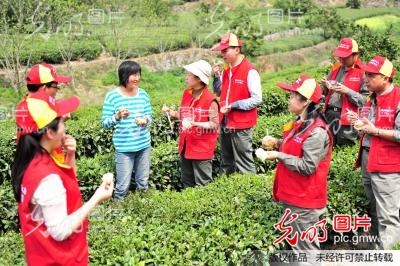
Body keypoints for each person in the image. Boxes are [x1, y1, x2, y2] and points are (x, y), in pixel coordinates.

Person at [12, 89, 113, 265]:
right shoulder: (46, 177)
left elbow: (65, 187)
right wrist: (96, 197)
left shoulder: (30, 162)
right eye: (61, 121)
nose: (65, 126)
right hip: (62, 258)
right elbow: (60, 231)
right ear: (50, 133)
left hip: (41, 255)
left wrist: (70, 155)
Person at [256, 75, 333, 255]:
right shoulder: (301, 122)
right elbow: (296, 148)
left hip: (304, 199)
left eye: (292, 95)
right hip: (294, 194)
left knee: (306, 251)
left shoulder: (317, 131)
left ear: (305, 101)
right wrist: (276, 143)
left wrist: (278, 155)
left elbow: (308, 166)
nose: (289, 99)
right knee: (300, 248)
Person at [347, 56, 400, 249]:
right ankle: (380, 248)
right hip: (368, 159)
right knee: (375, 209)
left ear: (385, 78)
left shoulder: (398, 98)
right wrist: (358, 119)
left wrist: (375, 130)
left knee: (388, 214)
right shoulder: (372, 99)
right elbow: (369, 125)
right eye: (365, 74)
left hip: (388, 164)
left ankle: (389, 255)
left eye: (371, 75)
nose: (365, 79)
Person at [211, 32, 262, 174]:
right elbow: (219, 92)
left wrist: (234, 105)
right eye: (221, 51)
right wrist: (216, 76)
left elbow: (257, 99)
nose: (222, 54)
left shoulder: (250, 71)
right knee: (227, 160)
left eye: (225, 50)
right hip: (226, 121)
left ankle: (251, 190)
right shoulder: (227, 70)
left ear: (237, 50)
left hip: (241, 123)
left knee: (244, 161)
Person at [163, 60, 219, 188]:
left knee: (203, 184)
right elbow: (183, 115)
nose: (186, 77)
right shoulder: (187, 94)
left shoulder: (210, 100)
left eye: (189, 74)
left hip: (201, 147)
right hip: (186, 145)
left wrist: (195, 124)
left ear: (198, 79)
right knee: (187, 181)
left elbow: (214, 124)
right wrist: (170, 112)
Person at [101, 61, 152, 199]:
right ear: (124, 76)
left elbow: (149, 115)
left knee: (143, 183)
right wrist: (116, 116)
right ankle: (118, 215)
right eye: (133, 75)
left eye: (138, 74)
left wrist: (145, 120)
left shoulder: (143, 94)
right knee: (122, 187)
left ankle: (145, 211)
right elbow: (104, 123)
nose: (137, 78)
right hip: (124, 149)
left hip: (144, 146)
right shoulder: (112, 96)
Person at [321, 37, 369, 146]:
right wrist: (325, 85)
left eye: (345, 57)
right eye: (340, 57)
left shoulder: (363, 73)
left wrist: (347, 91)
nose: (341, 60)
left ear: (355, 55)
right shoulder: (336, 68)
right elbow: (326, 93)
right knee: (327, 148)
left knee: (344, 147)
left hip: (347, 118)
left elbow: (366, 101)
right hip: (329, 114)